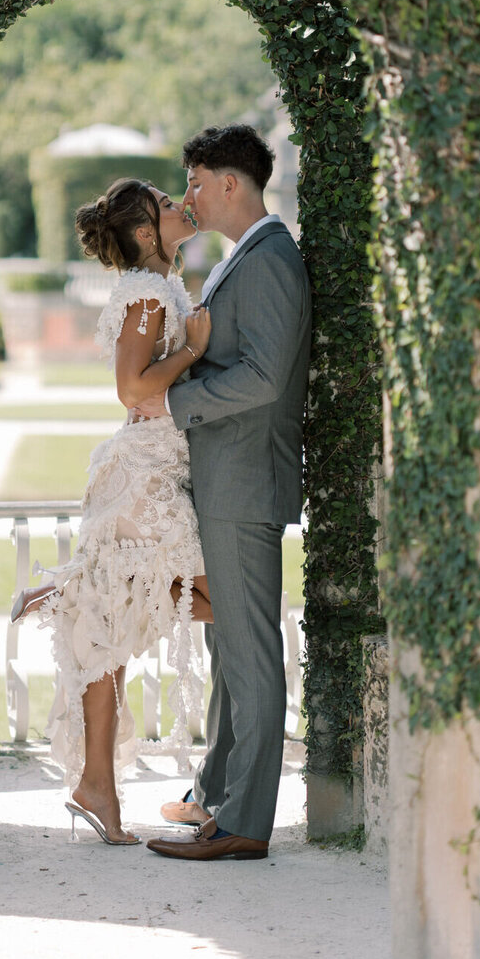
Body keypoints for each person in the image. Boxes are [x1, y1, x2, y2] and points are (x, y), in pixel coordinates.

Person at [8, 178, 213, 846]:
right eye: (163, 200)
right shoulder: (152, 293)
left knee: (112, 625)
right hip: (145, 476)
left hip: (155, 467)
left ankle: (96, 783)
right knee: (220, 598)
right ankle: (75, 584)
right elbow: (132, 388)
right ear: (147, 232)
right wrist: (195, 349)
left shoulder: (160, 285)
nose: (180, 199)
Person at [137, 125, 311, 864]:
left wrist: (182, 401)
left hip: (245, 482)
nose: (189, 197)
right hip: (228, 481)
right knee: (229, 649)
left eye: (198, 182)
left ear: (232, 184)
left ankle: (244, 823)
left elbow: (266, 379)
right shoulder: (248, 257)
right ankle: (217, 797)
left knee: (250, 652)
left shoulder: (270, 262)